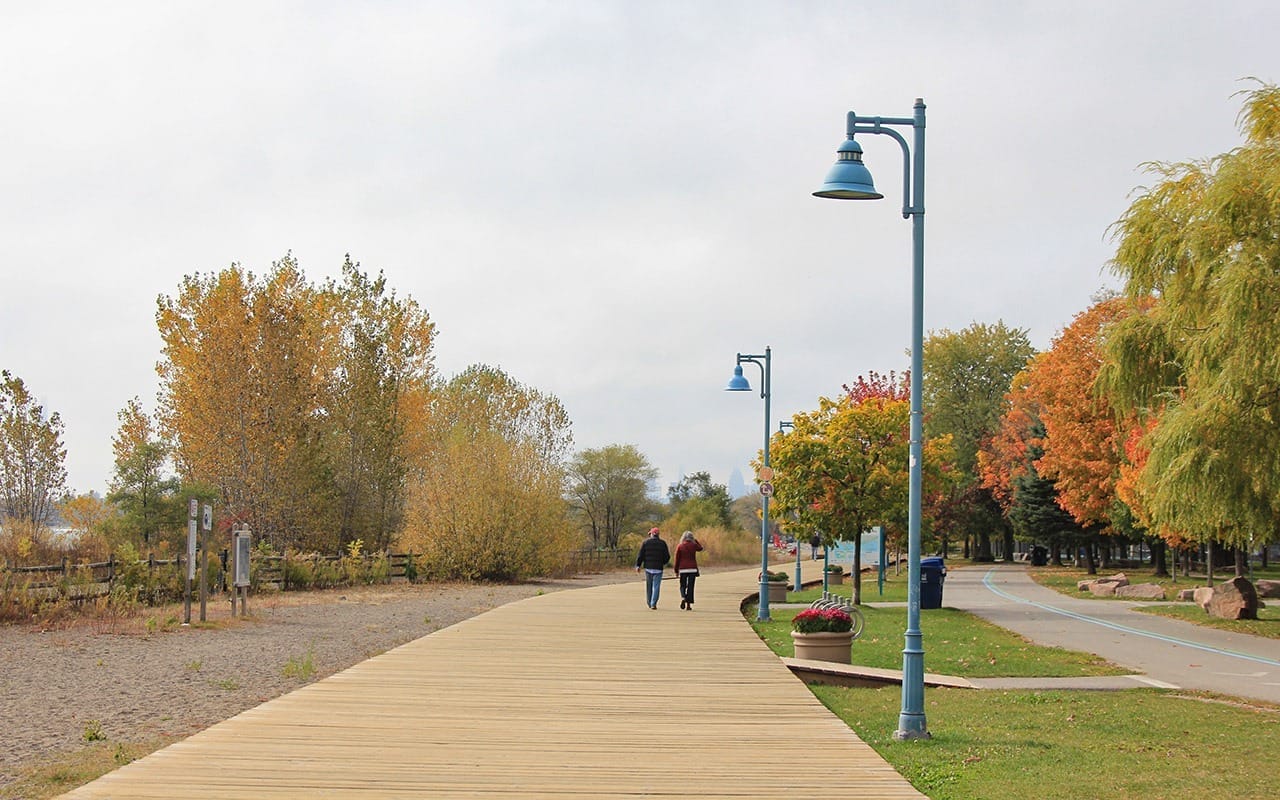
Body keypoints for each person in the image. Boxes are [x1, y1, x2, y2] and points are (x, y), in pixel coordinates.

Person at [635, 527, 671, 610]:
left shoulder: (646, 542)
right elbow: (667, 557)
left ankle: (649, 602)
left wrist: (638, 565)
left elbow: (641, 555)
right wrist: (663, 563)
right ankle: (653, 603)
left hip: (648, 568)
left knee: (649, 586)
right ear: (658, 535)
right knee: (656, 586)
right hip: (658, 568)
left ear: (651, 534)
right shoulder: (663, 543)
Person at [674, 530, 704, 610]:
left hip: (683, 569)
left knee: (682, 585)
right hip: (692, 569)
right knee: (691, 587)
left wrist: (676, 570)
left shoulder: (680, 546)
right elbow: (700, 548)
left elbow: (677, 559)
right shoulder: (694, 545)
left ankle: (683, 597)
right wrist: (696, 541)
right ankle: (688, 605)